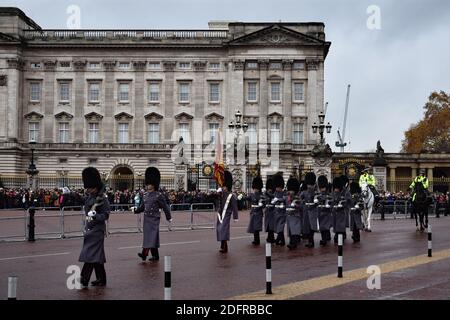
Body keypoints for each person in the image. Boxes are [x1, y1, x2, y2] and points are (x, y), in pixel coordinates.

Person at [78, 167, 110, 288]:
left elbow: (106, 215)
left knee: (90, 254)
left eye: (90, 188)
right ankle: (101, 279)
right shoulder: (91, 197)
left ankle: (84, 278)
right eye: (88, 188)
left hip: (97, 231)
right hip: (89, 229)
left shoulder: (103, 199)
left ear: (96, 186)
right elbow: (84, 202)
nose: (89, 190)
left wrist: (96, 215)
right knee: (96, 255)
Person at [132, 167, 172, 262]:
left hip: (154, 218)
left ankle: (144, 254)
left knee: (151, 236)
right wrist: (135, 210)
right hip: (147, 219)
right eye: (147, 183)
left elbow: (165, 207)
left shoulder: (158, 195)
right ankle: (155, 255)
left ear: (153, 185)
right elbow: (142, 207)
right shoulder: (145, 195)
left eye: (149, 184)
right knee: (149, 237)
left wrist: (168, 217)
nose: (147, 185)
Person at [215, 170, 238, 253]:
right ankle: (222, 245)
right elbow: (214, 200)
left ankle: (225, 247)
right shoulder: (220, 194)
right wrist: (216, 193)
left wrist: (235, 217)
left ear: (227, 186)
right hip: (220, 214)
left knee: (223, 229)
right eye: (223, 186)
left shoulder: (232, 195)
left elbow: (235, 207)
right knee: (219, 229)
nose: (223, 187)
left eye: (224, 186)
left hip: (227, 214)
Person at [300, 172, 319, 248]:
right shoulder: (304, 192)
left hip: (313, 211)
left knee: (312, 227)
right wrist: (302, 202)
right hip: (306, 211)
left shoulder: (315, 192)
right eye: (308, 185)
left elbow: (318, 199)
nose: (309, 186)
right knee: (307, 227)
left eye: (310, 185)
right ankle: (309, 241)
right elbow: (300, 199)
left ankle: (311, 242)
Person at [332, 177, 351, 244]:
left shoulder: (345, 192)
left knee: (341, 224)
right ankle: (337, 234)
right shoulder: (333, 192)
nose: (336, 189)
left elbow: (348, 201)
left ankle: (341, 235)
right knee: (336, 224)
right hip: (335, 210)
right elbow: (332, 199)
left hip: (342, 210)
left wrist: (344, 203)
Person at [246, 176, 264, 245]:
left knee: (257, 227)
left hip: (258, 212)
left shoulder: (262, 195)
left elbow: (263, 204)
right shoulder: (252, 195)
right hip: (253, 212)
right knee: (253, 226)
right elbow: (247, 198)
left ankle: (257, 240)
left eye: (256, 188)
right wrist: (241, 197)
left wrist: (260, 205)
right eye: (255, 188)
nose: (255, 189)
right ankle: (255, 239)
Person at [285, 177, 302, 250]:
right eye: (290, 190)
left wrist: (296, 205)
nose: (291, 192)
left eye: (292, 190)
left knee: (294, 230)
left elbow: (300, 206)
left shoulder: (297, 197)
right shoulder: (287, 197)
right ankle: (291, 242)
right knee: (291, 231)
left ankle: (293, 243)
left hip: (295, 215)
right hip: (289, 215)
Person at [317, 175, 333, 246]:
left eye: (323, 187)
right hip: (321, 213)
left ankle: (324, 239)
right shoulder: (318, 195)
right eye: (321, 188)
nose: (322, 189)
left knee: (325, 226)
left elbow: (331, 201)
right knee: (322, 226)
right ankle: (326, 237)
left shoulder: (328, 195)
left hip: (327, 212)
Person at [272, 174, 287, 246]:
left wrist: (278, 199)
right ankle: (279, 240)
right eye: (277, 187)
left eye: (279, 187)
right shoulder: (274, 193)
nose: (277, 188)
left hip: (282, 212)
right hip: (276, 212)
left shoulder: (284, 193)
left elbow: (285, 199)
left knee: (280, 227)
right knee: (278, 227)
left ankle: (281, 241)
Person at [263, 177, 276, 243]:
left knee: (271, 225)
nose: (269, 190)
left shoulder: (273, 194)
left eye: (270, 188)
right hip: (267, 211)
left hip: (272, 212)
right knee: (268, 225)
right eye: (268, 189)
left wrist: (268, 194)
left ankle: (271, 237)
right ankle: (270, 237)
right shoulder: (266, 194)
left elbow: (274, 198)